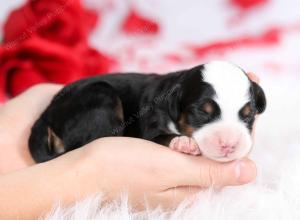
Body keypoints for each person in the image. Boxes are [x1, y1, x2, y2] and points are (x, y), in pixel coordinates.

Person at [0, 73, 259, 219]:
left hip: (58, 113)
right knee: (102, 105)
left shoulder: (167, 100)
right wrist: (86, 176)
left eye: (244, 116)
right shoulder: (162, 103)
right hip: (88, 103)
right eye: (204, 114)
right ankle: (70, 149)